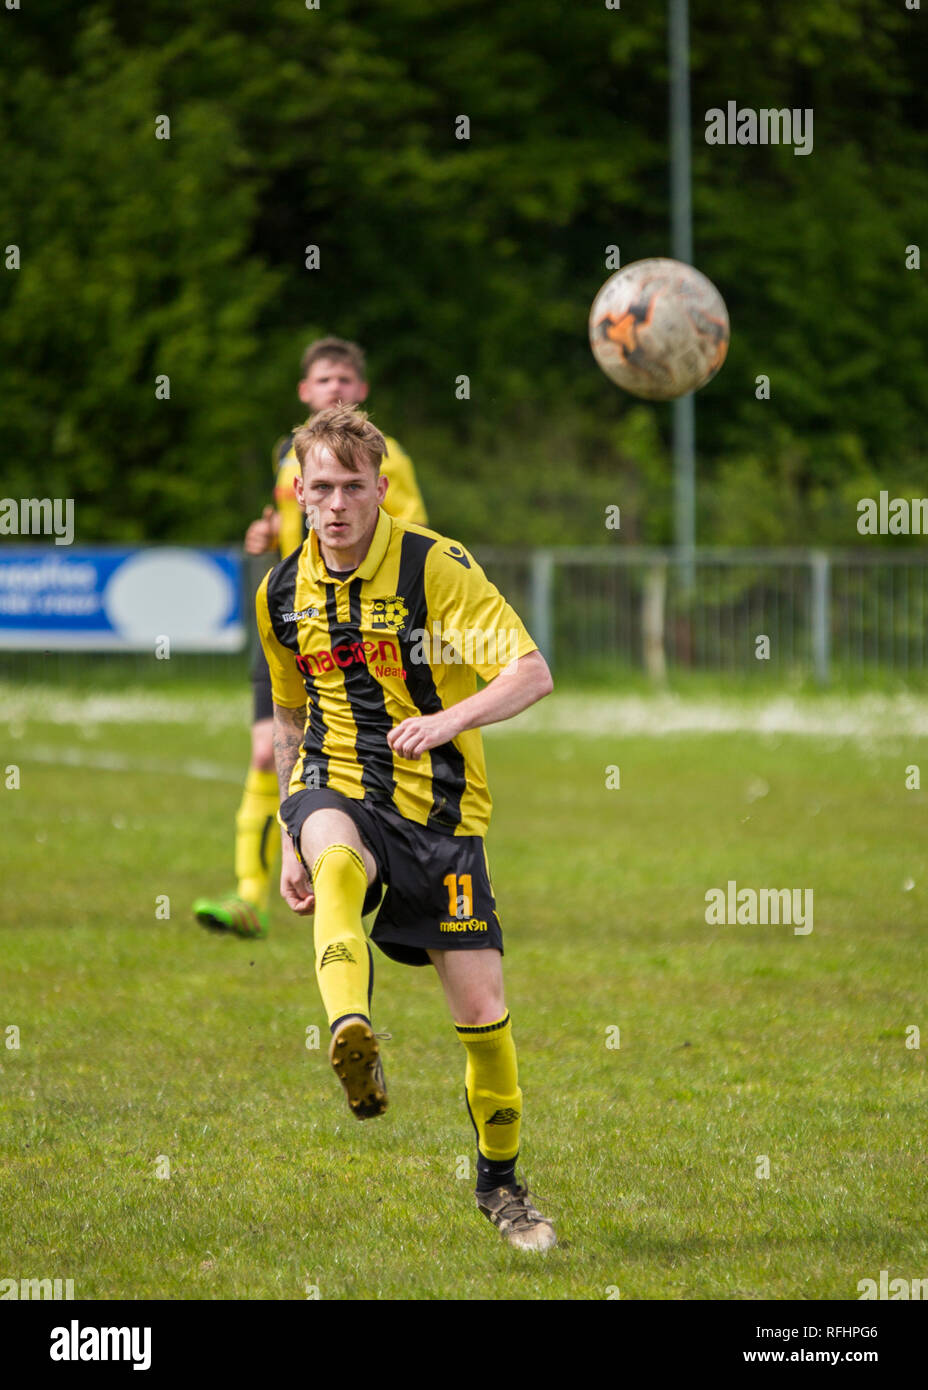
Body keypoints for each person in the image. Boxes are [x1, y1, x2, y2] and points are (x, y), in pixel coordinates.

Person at [256, 403, 557, 1251]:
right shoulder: (282, 590)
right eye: (323, 488)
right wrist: (289, 831)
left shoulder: (435, 568)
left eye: (356, 486)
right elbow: (289, 709)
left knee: (484, 1016)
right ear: (300, 493)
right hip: (337, 782)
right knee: (334, 856)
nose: (340, 503)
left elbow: (531, 673)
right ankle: (351, 1030)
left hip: (440, 813)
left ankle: (501, 1187)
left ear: (382, 488)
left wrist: (445, 720)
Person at [194, 338, 426, 938]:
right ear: (305, 391)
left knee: (349, 755)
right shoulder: (288, 455)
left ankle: (389, 875)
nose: (336, 389)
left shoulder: (388, 457)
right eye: (324, 380)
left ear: (362, 391)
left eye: (346, 380)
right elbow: (292, 524)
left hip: (351, 624)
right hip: (289, 616)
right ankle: (249, 895)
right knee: (265, 751)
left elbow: (410, 535)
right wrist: (264, 535)